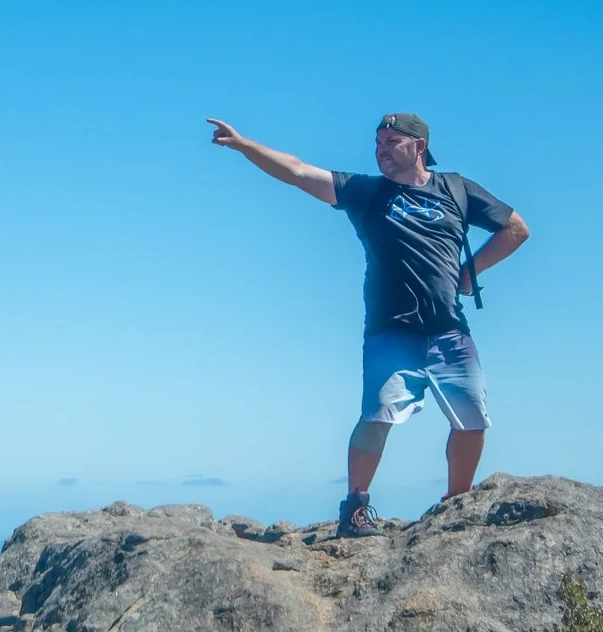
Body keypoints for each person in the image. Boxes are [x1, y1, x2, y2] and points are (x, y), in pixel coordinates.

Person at [209, 112, 530, 536]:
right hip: (390, 330)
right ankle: (356, 508)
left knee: (472, 421)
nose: (381, 149)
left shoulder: (456, 189)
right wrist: (244, 145)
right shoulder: (366, 192)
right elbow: (298, 172)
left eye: (391, 141)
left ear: (419, 146)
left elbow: (516, 228)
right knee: (377, 417)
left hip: (450, 329)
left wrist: (470, 273)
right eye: (378, 142)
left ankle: (457, 504)